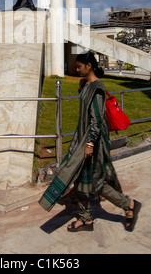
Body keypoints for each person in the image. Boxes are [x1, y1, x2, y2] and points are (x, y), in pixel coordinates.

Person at [39, 51, 141, 232]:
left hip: (92, 142)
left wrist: (90, 144)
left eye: (79, 66)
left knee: (94, 182)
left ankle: (128, 205)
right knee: (80, 180)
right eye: (76, 66)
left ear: (89, 66)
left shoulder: (97, 88)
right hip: (82, 139)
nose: (76, 69)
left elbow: (97, 119)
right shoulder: (86, 85)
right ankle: (86, 219)